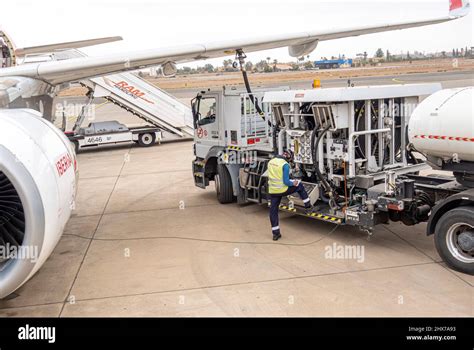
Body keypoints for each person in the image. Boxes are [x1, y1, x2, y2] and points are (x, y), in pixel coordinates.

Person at [267, 150, 311, 241]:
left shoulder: (271, 161)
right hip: (283, 189)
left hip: (273, 190)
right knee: (299, 185)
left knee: (273, 211)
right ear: (288, 158)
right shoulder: (285, 165)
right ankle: (308, 206)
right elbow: (286, 182)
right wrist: (294, 182)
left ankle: (276, 234)